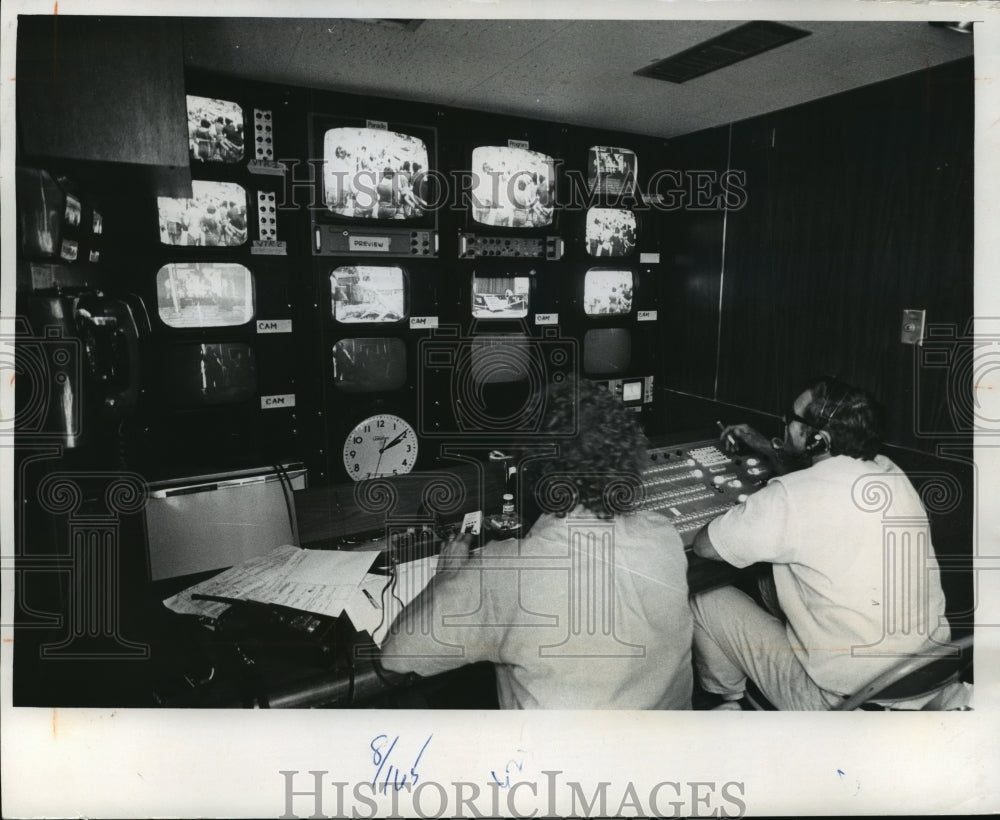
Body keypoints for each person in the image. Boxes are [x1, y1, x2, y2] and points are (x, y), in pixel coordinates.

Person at [380, 379, 694, 709]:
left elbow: (396, 656)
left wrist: (447, 575)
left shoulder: (505, 573)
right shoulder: (662, 534)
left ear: (532, 472)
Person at [690, 376, 951, 710]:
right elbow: (821, 484)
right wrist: (774, 450)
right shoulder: (889, 471)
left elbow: (705, 546)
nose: (784, 423)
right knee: (773, 581)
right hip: (921, 681)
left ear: (819, 439)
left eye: (792, 419)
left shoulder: (791, 497)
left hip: (844, 703)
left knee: (705, 597)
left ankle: (730, 703)